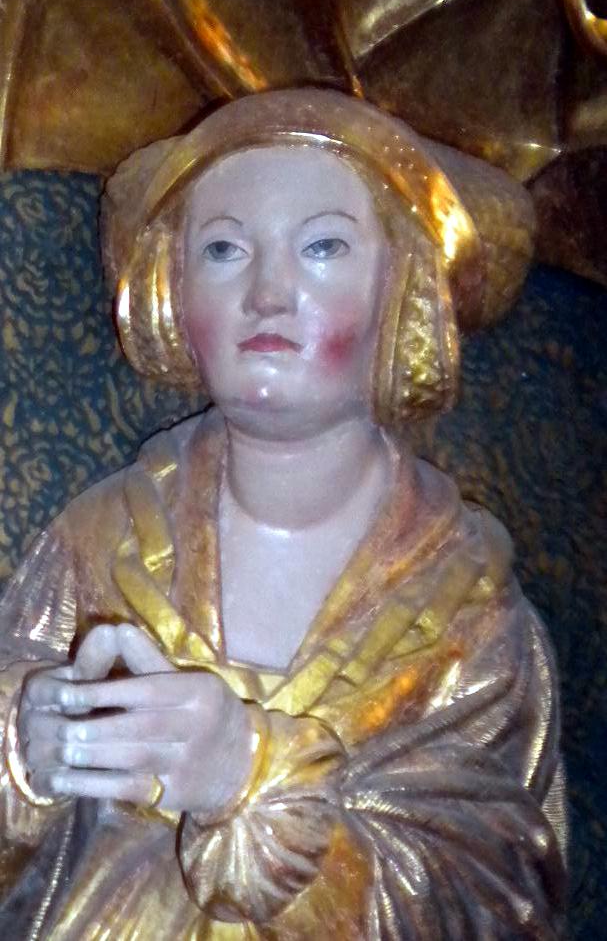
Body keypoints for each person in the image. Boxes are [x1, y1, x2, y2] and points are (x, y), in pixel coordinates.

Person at [0, 89, 566, 939]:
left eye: (323, 247)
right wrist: (25, 749)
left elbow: (496, 896)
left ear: (400, 289)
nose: (268, 292)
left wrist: (249, 777)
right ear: (172, 291)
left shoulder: (466, 612)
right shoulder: (100, 542)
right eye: (223, 249)